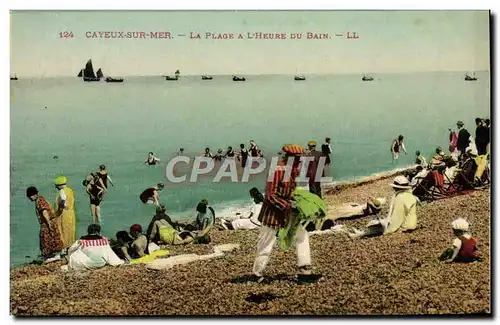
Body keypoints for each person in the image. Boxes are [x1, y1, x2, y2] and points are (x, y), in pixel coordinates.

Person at [252, 144, 314, 282]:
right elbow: (270, 195)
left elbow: (289, 191)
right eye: (297, 159)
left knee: (301, 233)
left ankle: (305, 269)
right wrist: (287, 204)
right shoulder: (277, 170)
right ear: (289, 158)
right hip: (272, 213)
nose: (300, 161)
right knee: (266, 242)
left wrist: (296, 201)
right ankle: (257, 273)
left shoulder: (292, 170)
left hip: (287, 211)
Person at [349, 176, 418, 238]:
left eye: (394, 186)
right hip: (411, 223)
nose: (393, 188)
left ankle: (360, 234)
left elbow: (397, 218)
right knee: (379, 224)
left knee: (377, 227)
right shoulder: (409, 195)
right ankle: (361, 233)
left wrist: (388, 230)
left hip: (405, 226)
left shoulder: (400, 198)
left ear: (396, 187)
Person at [26, 186, 64, 263]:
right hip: (49, 221)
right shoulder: (40, 199)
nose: (29, 199)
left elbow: (44, 212)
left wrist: (48, 224)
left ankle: (49, 256)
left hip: (47, 222)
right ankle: (53, 255)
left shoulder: (40, 201)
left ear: (32, 195)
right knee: (52, 238)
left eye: (29, 197)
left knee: (46, 239)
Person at [54, 176, 76, 249]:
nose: (56, 187)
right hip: (71, 213)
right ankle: (70, 247)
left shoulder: (62, 191)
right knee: (70, 231)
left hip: (63, 214)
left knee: (62, 231)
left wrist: (61, 206)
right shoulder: (70, 190)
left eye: (56, 186)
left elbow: (63, 198)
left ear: (59, 185)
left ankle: (63, 248)